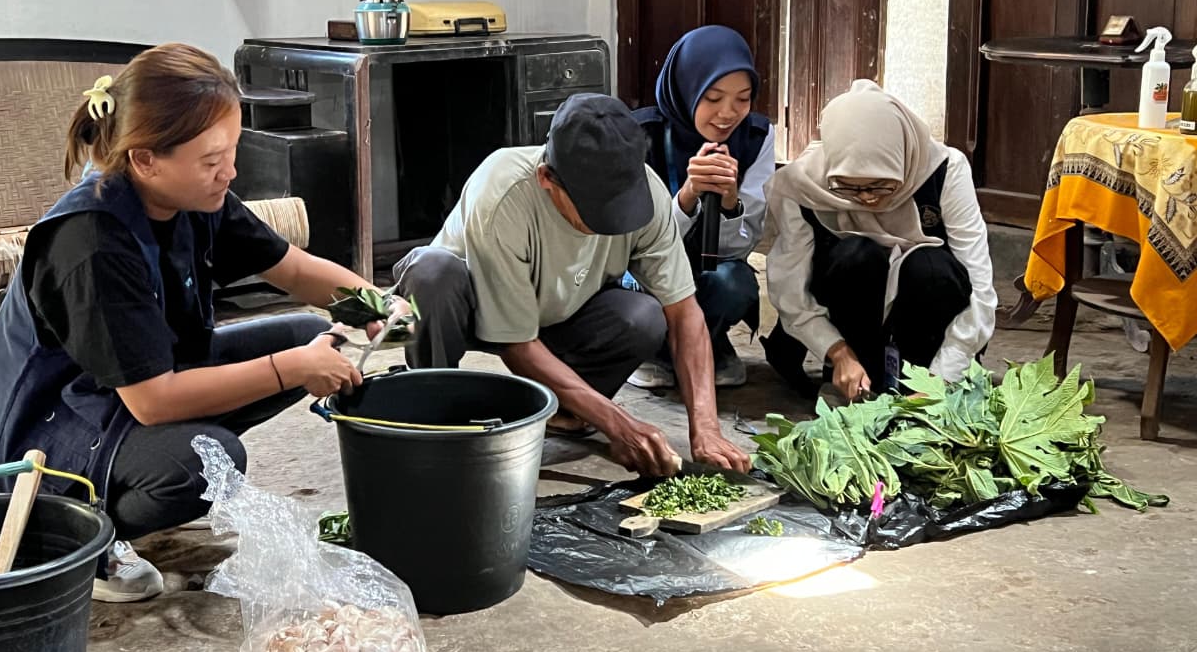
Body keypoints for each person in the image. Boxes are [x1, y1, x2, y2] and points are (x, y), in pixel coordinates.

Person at [0, 43, 401, 602]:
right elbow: (154, 402)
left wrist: (374, 303)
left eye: (230, 150)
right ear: (145, 159)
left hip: (121, 390)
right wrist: (292, 368)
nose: (231, 170)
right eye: (210, 159)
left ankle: (130, 479)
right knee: (206, 460)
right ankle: (75, 532)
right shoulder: (91, 243)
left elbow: (291, 268)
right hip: (50, 433)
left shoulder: (195, 197)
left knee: (305, 336)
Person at [393, 93, 751, 477]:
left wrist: (706, 430)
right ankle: (435, 414)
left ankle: (565, 412)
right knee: (432, 274)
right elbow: (517, 343)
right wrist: (618, 424)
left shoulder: (649, 191)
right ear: (547, 179)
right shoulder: (502, 190)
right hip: (470, 307)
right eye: (595, 210)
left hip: (563, 312)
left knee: (643, 316)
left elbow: (685, 314)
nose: (608, 222)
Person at [761, 79, 996, 400]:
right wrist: (838, 352)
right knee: (856, 254)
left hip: (929, 329)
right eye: (850, 187)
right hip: (851, 319)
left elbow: (980, 288)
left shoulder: (943, 169)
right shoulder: (804, 184)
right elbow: (791, 290)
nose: (868, 199)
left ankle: (919, 375)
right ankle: (853, 375)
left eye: (882, 185)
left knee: (928, 264)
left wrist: (941, 378)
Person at [629, 25, 775, 390]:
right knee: (634, 296)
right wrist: (688, 196)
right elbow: (632, 246)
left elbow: (742, 247)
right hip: (648, 271)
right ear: (687, 88)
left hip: (712, 268)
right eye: (712, 97)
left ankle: (709, 339)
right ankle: (654, 349)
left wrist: (729, 203)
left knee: (734, 283)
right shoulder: (639, 134)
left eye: (743, 98)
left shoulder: (756, 137)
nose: (728, 113)